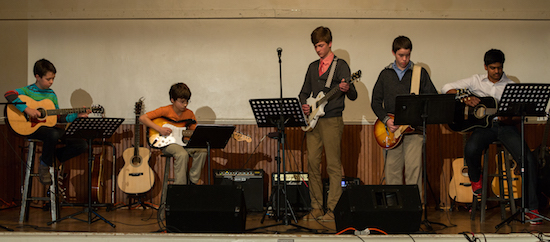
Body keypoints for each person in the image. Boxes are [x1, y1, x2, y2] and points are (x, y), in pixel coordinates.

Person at [441, 49, 542, 225]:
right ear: (485, 67)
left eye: (500, 68)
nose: (497, 71)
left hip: (505, 128)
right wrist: (465, 96)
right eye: (493, 68)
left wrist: (509, 118)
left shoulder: (511, 85)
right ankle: (475, 180)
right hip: (483, 128)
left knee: (528, 159)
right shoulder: (475, 81)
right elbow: (445, 88)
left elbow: (519, 117)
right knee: (471, 149)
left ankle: (531, 208)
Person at [299, 26, 357, 221]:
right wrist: (305, 106)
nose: (318, 49)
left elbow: (354, 95)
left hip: (332, 120)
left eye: (321, 45)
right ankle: (316, 207)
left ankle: (333, 209)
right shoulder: (312, 67)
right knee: (312, 163)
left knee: (333, 165)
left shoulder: (341, 66)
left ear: (330, 43)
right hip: (313, 122)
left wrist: (347, 88)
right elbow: (303, 93)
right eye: (315, 46)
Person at [371, 36, 438, 199]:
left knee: (413, 173)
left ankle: (415, 210)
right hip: (392, 132)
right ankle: (394, 212)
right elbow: (375, 102)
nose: (404, 59)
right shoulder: (385, 74)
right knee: (392, 173)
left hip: (414, 131)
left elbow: (433, 98)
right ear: (393, 53)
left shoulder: (419, 73)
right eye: (401, 55)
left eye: (407, 55)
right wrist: (387, 120)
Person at [4, 58, 90, 185]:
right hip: (31, 128)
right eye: (48, 79)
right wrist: (27, 109)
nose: (51, 82)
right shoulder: (28, 91)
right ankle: (44, 165)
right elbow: (9, 94)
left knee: (81, 144)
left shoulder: (51, 94)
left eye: (53, 79)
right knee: (53, 134)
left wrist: (76, 116)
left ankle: (50, 156)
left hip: (48, 130)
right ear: (37, 77)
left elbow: (57, 117)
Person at [139, 82, 207, 185]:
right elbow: (143, 118)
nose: (185, 104)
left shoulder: (189, 113)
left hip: (183, 142)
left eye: (187, 102)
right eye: (182, 102)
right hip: (167, 143)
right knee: (182, 154)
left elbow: (194, 131)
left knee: (202, 150)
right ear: (172, 100)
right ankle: (180, 187)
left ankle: (193, 180)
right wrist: (159, 129)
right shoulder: (165, 110)